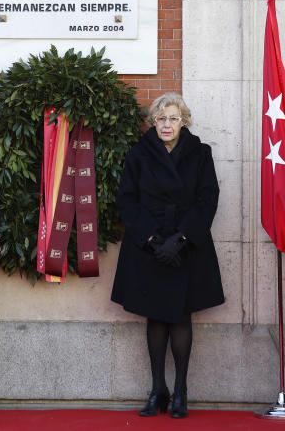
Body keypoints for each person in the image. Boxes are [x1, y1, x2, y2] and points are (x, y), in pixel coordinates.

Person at [111, 93, 224, 419]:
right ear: (153, 121)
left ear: (183, 121)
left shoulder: (200, 154)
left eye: (173, 118)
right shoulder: (138, 153)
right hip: (149, 247)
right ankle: (157, 389)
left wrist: (182, 238)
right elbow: (127, 200)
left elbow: (208, 198)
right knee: (155, 316)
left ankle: (181, 391)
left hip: (186, 246)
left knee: (180, 317)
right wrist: (152, 239)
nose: (166, 124)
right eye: (161, 118)